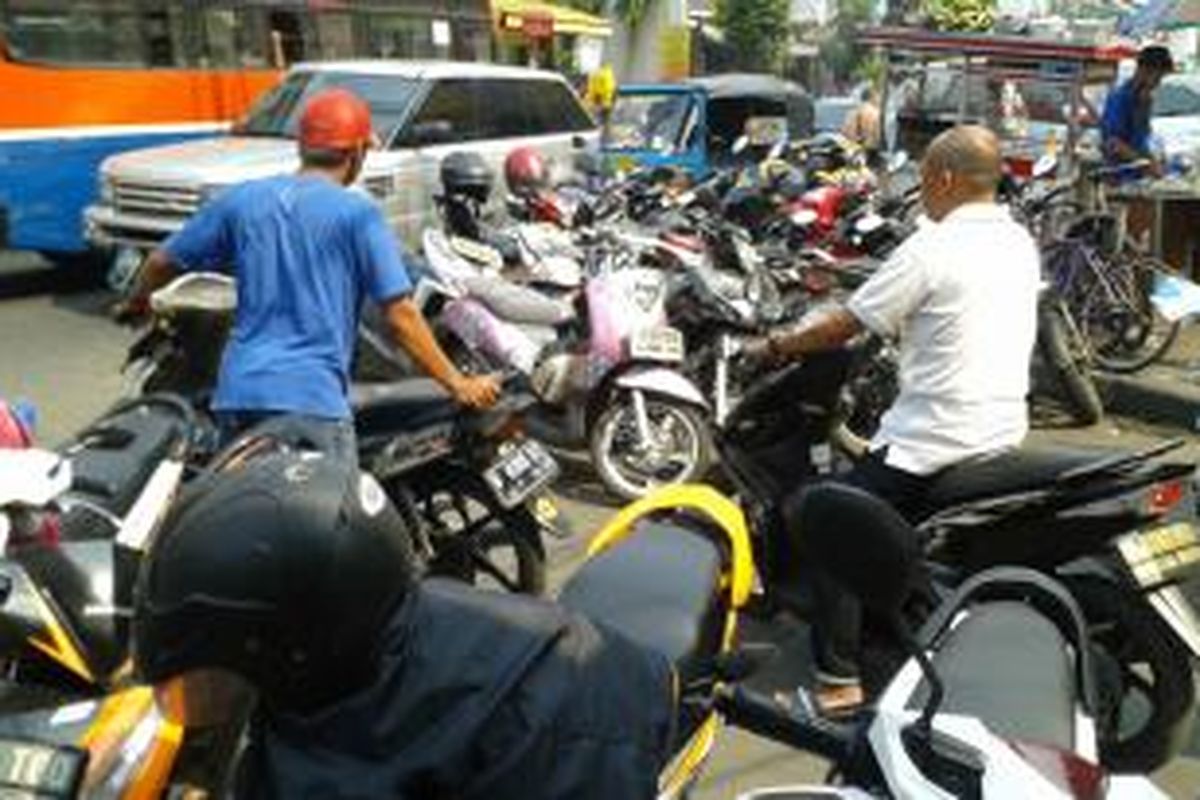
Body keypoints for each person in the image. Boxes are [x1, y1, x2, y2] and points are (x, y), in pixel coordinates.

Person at [133, 443, 675, 799]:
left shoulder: (529, 725)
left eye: (220, 672)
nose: (208, 695)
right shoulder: (327, 684)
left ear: (299, 643)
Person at [745, 125, 1041, 715]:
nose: (921, 191)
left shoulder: (932, 248)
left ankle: (838, 679)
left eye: (926, 178)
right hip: (1002, 428)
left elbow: (844, 326)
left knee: (830, 519)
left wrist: (776, 345)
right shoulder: (1017, 241)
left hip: (935, 440)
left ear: (947, 180)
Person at [117, 88, 499, 449]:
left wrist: (136, 304)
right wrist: (457, 383)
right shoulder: (357, 213)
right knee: (324, 516)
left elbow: (161, 261)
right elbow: (401, 315)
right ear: (356, 154)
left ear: (303, 147)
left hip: (238, 395)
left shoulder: (243, 199)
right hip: (312, 404)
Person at [1101, 45, 1174, 174]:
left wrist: (1154, 160)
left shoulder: (1143, 99)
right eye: (1157, 78)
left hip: (1139, 176)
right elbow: (1114, 144)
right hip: (1120, 176)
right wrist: (1146, 164)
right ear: (1144, 70)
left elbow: (1142, 139)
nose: (1158, 84)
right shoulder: (1120, 97)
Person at [841, 84, 882, 156]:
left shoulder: (854, 112)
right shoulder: (876, 112)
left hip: (856, 149)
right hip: (871, 150)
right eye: (878, 96)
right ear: (872, 97)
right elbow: (877, 134)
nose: (879, 99)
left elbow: (845, 132)